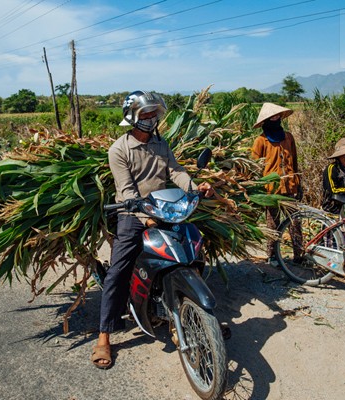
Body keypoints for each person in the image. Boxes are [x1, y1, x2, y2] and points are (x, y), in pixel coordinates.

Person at [91, 90, 214, 369]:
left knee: (192, 246)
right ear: (133, 117)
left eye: (153, 114)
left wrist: (195, 189)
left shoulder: (161, 144)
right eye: (145, 114)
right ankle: (104, 336)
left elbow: (176, 171)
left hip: (163, 208)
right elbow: (126, 190)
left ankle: (186, 311)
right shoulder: (119, 149)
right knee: (119, 269)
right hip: (132, 213)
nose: (151, 118)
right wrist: (143, 216)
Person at [251, 102, 302, 266]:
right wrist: (255, 188)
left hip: (290, 186)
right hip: (271, 189)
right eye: (272, 116)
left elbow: (294, 161)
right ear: (266, 120)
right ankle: (272, 255)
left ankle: (299, 255)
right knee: (273, 223)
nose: (275, 118)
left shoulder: (288, 137)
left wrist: (298, 183)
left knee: (295, 221)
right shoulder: (261, 140)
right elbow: (254, 166)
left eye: (277, 116)